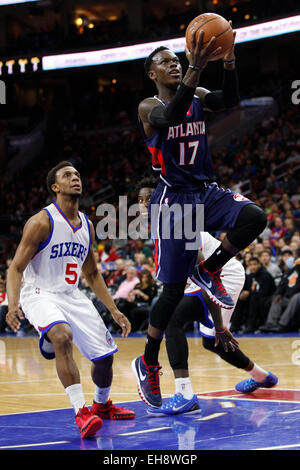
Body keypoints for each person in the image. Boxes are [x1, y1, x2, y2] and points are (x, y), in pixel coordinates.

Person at [132, 27, 267, 407]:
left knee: (254, 217)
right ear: (152, 75)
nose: (172, 65)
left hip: (206, 189)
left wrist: (228, 60)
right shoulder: (148, 107)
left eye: (175, 60)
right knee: (173, 291)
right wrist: (194, 67)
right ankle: (147, 360)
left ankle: (210, 269)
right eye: (164, 63)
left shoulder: (199, 96)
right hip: (174, 199)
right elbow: (173, 115)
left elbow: (232, 99)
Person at [6, 161, 135, 439]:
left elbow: (91, 272)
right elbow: (16, 268)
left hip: (71, 294)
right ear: (55, 187)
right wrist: (13, 304)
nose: (75, 178)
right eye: (67, 175)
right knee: (62, 336)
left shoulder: (87, 224)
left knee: (104, 358)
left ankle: (101, 406)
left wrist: (113, 309)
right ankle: (81, 411)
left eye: (77, 174)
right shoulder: (42, 222)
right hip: (40, 292)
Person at [135, 178, 278, 414]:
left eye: (150, 197)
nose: (145, 203)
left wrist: (220, 324)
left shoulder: (178, 224)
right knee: (212, 342)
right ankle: (261, 376)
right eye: (140, 200)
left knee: (173, 320)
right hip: (210, 277)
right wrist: (219, 328)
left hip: (224, 274)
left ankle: (184, 393)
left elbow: (208, 279)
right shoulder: (160, 228)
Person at [259, 256, 300, 333]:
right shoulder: (289, 272)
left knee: (296, 296)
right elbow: (282, 285)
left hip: (296, 298)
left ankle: (282, 324)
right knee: (277, 298)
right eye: (296, 260)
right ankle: (271, 323)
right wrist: (279, 293)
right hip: (287, 298)